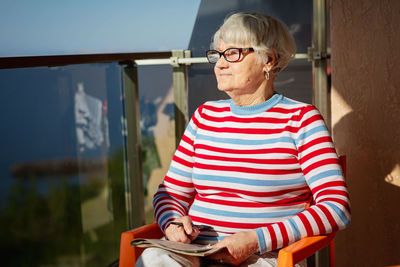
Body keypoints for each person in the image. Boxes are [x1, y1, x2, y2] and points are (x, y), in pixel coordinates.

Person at [136, 12, 350, 267]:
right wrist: (171, 223)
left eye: (233, 54)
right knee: (153, 259)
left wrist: (255, 239)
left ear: (268, 60)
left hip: (265, 257)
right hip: (196, 254)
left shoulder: (302, 120)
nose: (220, 64)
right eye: (217, 54)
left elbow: (335, 207)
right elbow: (169, 194)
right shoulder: (205, 116)